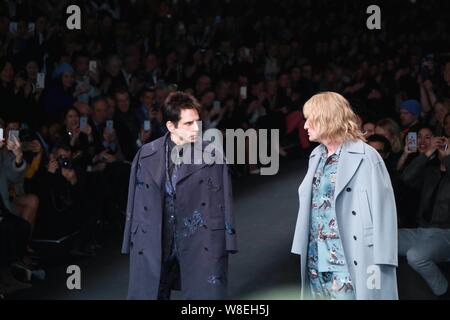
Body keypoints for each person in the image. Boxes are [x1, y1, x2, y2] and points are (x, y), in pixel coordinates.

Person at [122, 91, 237, 300]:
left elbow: (224, 201)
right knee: (152, 292)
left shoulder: (212, 156)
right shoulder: (146, 155)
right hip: (156, 240)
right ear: (170, 126)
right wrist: (130, 239)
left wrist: (228, 241)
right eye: (188, 123)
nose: (196, 128)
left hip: (198, 237)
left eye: (197, 122)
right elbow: (135, 200)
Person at [291, 92, 398, 300]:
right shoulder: (316, 156)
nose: (305, 126)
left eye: (310, 119)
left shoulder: (366, 156)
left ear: (327, 118)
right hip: (317, 259)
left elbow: (384, 211)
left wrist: (382, 262)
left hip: (349, 260)